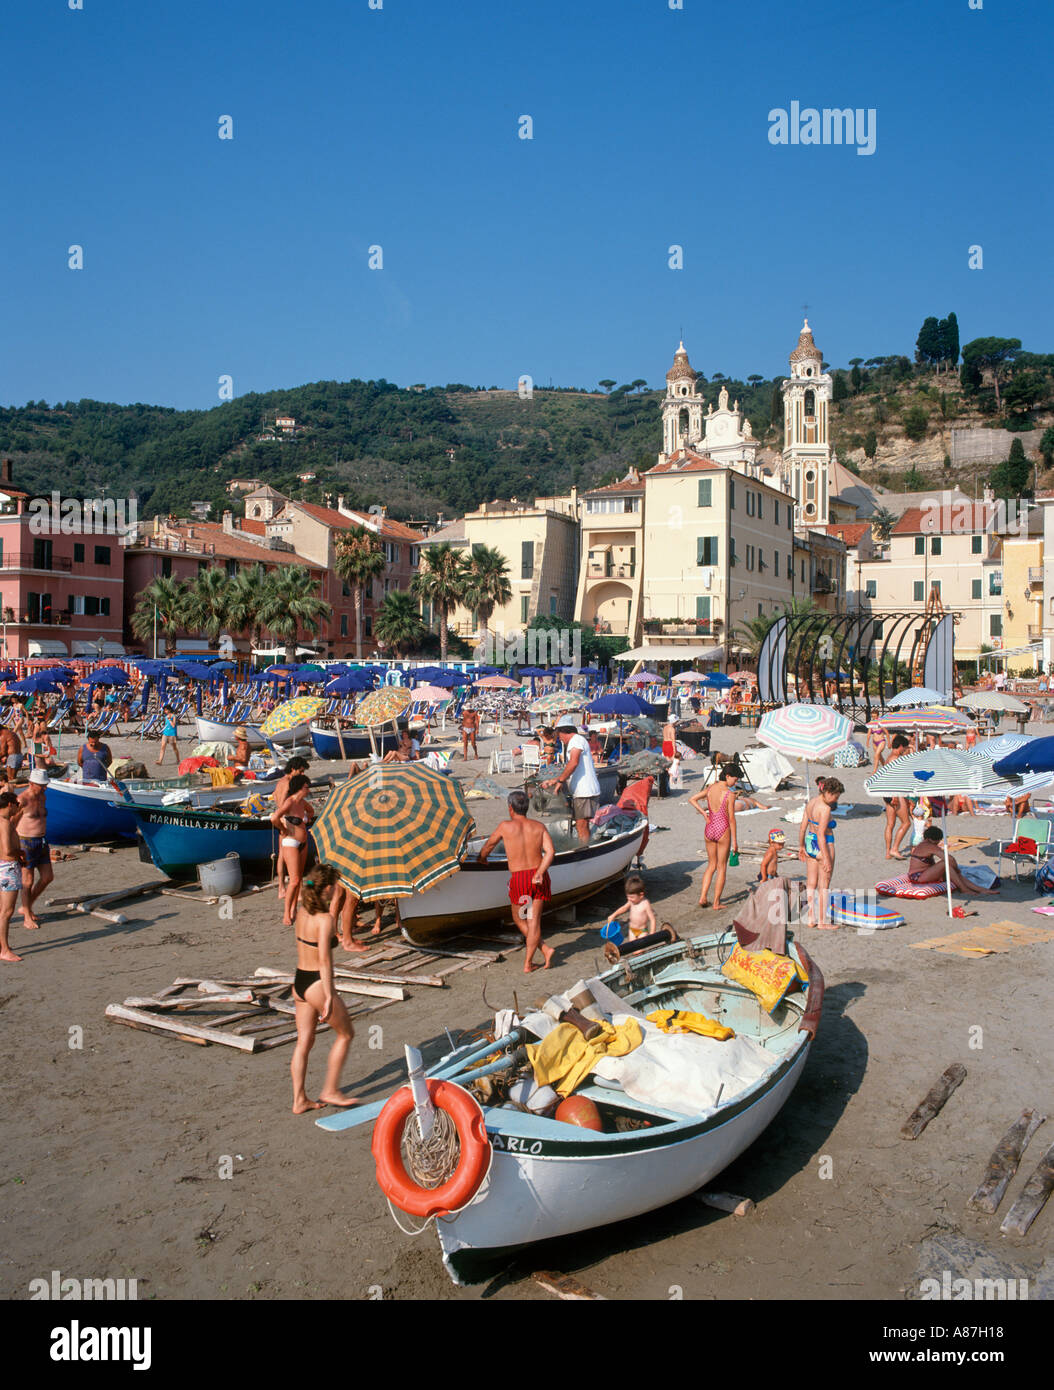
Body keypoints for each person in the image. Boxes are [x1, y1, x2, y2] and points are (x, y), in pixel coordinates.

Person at [289, 864, 358, 1113]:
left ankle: (299, 1100)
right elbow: (325, 962)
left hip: (299, 981)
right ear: (327, 888)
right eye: (335, 887)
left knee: (303, 1042)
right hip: (317, 982)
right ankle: (330, 1090)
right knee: (346, 1034)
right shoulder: (324, 920)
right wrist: (329, 996)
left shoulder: (302, 912)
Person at [477, 789, 556, 972]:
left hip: (520, 879)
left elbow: (489, 845)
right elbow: (550, 852)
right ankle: (532, 960)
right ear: (526, 808)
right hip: (539, 876)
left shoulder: (505, 826)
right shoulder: (538, 826)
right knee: (534, 920)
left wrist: (481, 858)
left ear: (510, 808)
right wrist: (540, 872)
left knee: (519, 918)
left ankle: (542, 950)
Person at [689, 762, 740, 910]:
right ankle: (716, 902)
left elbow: (692, 799)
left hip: (709, 827)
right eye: (735, 780)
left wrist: (704, 814)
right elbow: (731, 819)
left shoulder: (711, 788)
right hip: (722, 828)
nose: (735, 783)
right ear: (728, 776)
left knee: (711, 865)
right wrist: (735, 841)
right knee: (721, 867)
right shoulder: (729, 794)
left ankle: (703, 896)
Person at [543, 716, 601, 844]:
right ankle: (585, 849)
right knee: (582, 824)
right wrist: (555, 780)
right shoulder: (578, 740)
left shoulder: (576, 740)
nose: (560, 739)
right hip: (583, 792)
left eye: (559, 735)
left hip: (585, 792)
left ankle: (584, 853)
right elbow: (571, 767)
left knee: (581, 825)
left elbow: (573, 763)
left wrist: (560, 781)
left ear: (564, 731)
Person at [799, 777, 843, 929]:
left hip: (809, 842)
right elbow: (821, 835)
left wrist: (801, 846)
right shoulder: (825, 809)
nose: (835, 800)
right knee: (824, 885)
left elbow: (803, 827)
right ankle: (822, 922)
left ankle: (811, 918)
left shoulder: (811, 802)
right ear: (829, 793)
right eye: (836, 796)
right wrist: (826, 858)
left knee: (811, 883)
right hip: (823, 844)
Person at [272, 773, 315, 926]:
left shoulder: (302, 803)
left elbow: (311, 812)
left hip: (303, 843)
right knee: (295, 880)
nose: (308, 790)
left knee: (299, 879)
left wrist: (307, 818)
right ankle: (286, 913)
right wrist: (283, 829)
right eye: (306, 787)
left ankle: (294, 910)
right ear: (299, 787)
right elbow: (274, 817)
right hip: (290, 842)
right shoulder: (289, 802)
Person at [908, 826, 997, 894]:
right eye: (937, 841)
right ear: (931, 839)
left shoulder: (925, 844)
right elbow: (950, 859)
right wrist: (957, 869)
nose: (938, 843)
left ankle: (979, 889)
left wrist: (955, 870)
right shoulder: (929, 846)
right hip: (918, 876)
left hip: (923, 873)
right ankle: (965, 889)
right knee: (946, 864)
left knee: (949, 868)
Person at [18, 769, 54, 932]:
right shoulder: (22, 799)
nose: (44, 788)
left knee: (47, 877)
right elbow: (10, 822)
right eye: (41, 786)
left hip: (42, 840)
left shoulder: (42, 796)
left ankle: (26, 906)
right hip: (26, 842)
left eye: (45, 785)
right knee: (27, 881)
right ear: (31, 784)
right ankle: (27, 916)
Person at [0, 791, 25, 963]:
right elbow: (8, 850)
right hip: (8, 867)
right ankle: (5, 949)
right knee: (7, 912)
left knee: (2, 911)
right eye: (16, 803)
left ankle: (2, 946)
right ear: (10, 805)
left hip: (2, 866)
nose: (18, 806)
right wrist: (21, 853)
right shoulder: (5, 824)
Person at [883, 734, 912, 860]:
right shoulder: (895, 758)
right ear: (900, 746)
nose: (904, 750)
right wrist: (896, 795)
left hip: (887, 794)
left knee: (890, 824)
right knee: (906, 823)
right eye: (904, 748)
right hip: (895, 794)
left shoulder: (888, 757)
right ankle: (895, 848)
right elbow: (894, 778)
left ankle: (888, 852)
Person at [608, 873, 657, 942]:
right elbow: (624, 908)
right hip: (632, 930)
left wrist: (652, 934)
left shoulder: (645, 904)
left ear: (641, 895)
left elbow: (652, 919)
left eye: (631, 897)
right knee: (633, 948)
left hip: (642, 931)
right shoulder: (631, 901)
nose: (629, 899)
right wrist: (614, 915)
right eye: (627, 896)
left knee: (639, 950)